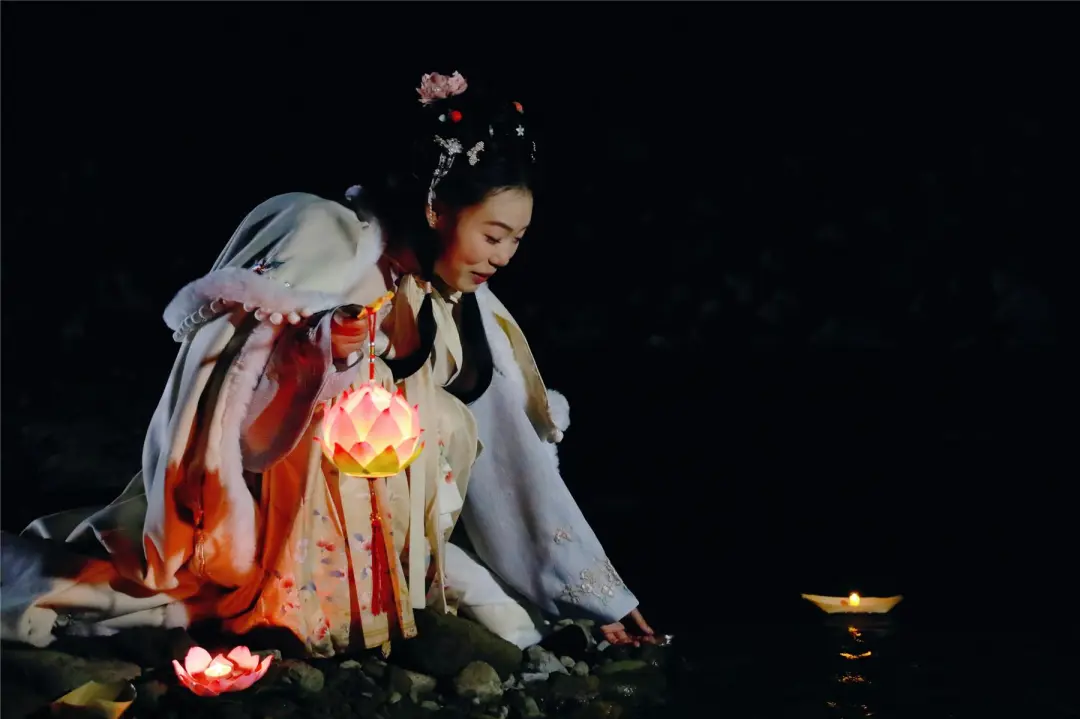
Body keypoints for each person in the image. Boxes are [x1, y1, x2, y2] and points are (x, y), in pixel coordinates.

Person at [0, 71, 654, 655]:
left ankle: (383, 599)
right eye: (493, 234)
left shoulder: (450, 296)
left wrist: (600, 598)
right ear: (435, 207)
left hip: (377, 524)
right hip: (273, 503)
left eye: (517, 239)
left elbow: (510, 443)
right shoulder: (326, 234)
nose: (504, 256)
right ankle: (297, 605)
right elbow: (221, 378)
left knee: (449, 426)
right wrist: (320, 355)